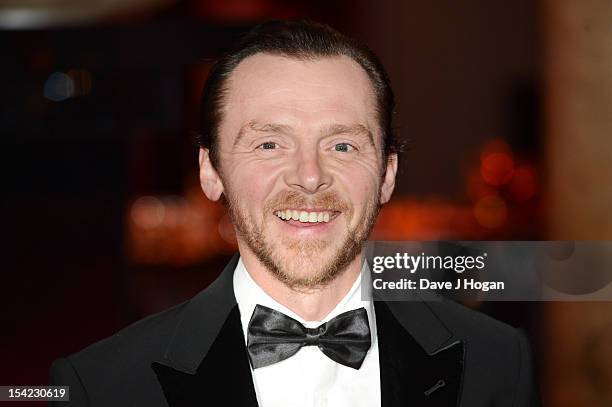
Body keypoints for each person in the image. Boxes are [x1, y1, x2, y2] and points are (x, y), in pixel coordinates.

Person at [49, 20, 540, 407]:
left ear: (387, 175)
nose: (309, 176)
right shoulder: (102, 386)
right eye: (269, 144)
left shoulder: (497, 362)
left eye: (343, 145)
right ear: (211, 171)